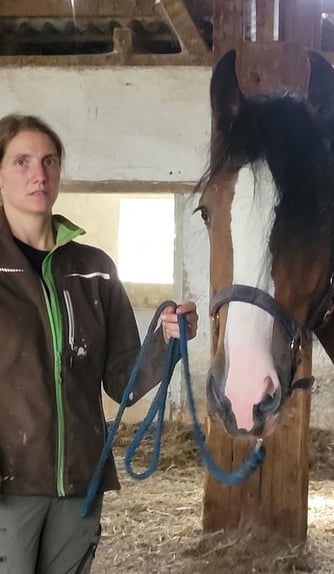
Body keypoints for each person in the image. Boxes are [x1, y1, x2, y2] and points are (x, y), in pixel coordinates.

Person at [0, 113, 199, 574]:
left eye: (50, 161)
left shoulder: (94, 269)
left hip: (79, 482)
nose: (39, 174)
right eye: (22, 161)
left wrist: (166, 341)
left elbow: (122, 381)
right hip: (9, 482)